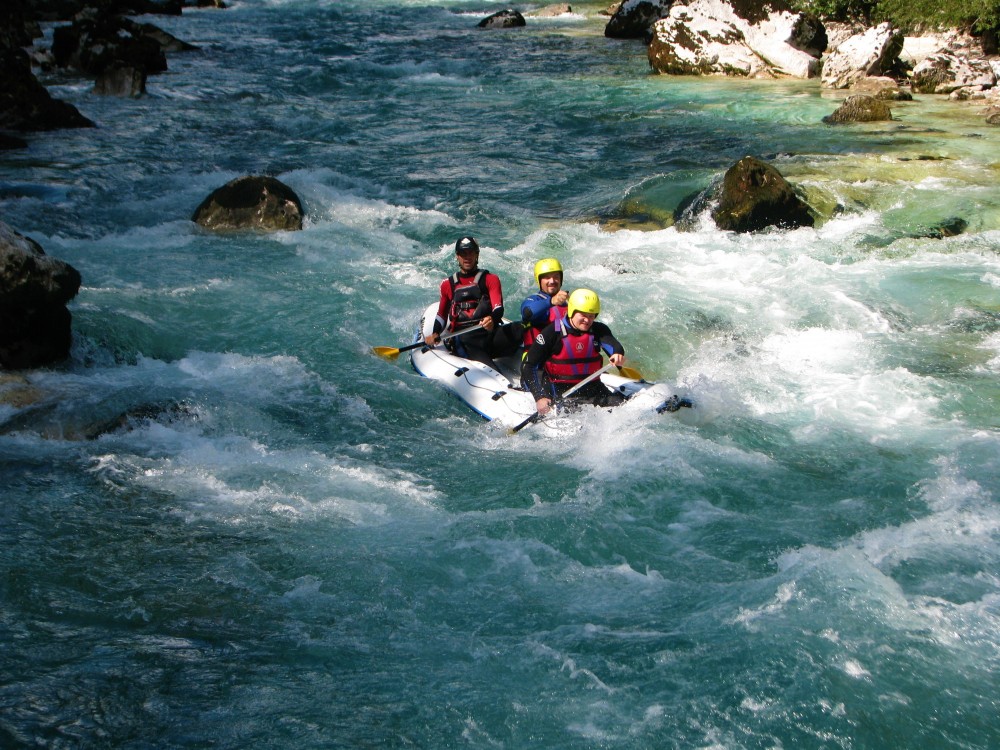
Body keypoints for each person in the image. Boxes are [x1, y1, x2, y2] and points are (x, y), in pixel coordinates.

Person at [521, 288, 627, 415]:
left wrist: (617, 354)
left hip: (593, 388)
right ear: (572, 311)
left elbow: (614, 346)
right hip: (561, 392)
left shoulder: (599, 329)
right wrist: (539, 397)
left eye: (591, 316)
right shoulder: (552, 332)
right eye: (583, 315)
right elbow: (529, 365)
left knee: (625, 408)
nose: (587, 320)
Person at [424, 236, 521, 369]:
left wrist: (492, 319)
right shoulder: (447, 284)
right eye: (463, 253)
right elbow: (441, 315)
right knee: (472, 346)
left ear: (477, 255)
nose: (467, 257)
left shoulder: (490, 279)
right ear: (457, 256)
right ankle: (493, 373)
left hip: (488, 335)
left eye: (470, 252)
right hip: (465, 339)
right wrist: (435, 333)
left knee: (522, 328)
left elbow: (498, 308)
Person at [520, 257, 569, 350]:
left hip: (563, 355)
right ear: (539, 280)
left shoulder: (568, 302)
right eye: (547, 277)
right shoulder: (534, 300)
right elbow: (528, 312)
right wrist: (551, 301)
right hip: (538, 357)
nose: (552, 281)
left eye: (556, 277)